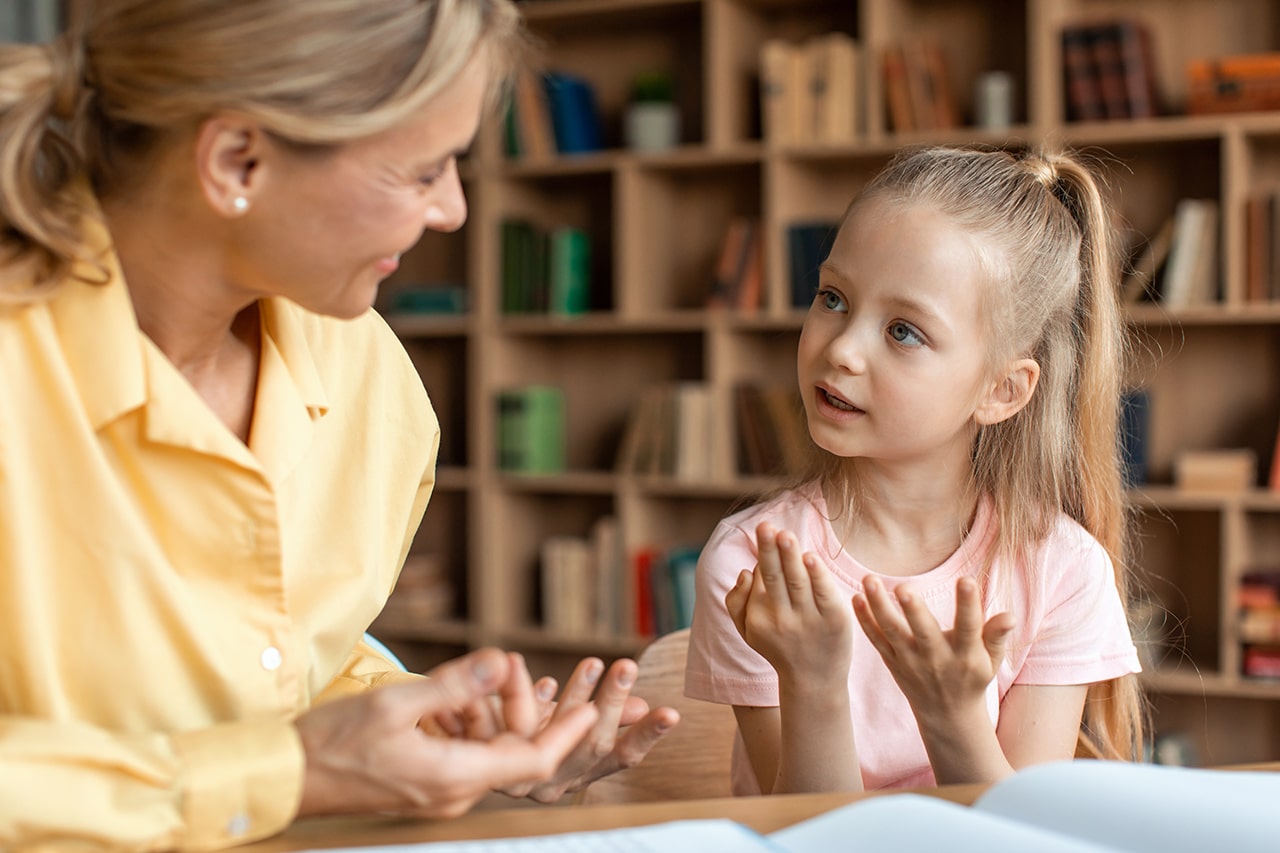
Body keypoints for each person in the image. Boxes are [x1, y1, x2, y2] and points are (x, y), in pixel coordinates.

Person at [0, 1, 677, 849]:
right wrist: (296, 771)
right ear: (238, 160)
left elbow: (280, 665)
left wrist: (424, 738)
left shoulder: (368, 377)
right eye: (424, 170)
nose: (454, 211)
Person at [685, 145, 1146, 796]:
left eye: (903, 331)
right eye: (832, 297)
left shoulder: (1063, 570)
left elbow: (1024, 838)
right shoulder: (752, 563)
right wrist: (812, 681)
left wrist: (952, 716)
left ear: (1003, 390)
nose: (840, 348)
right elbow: (815, 841)